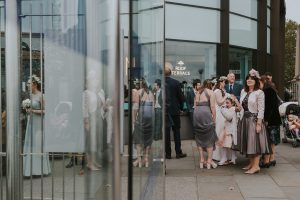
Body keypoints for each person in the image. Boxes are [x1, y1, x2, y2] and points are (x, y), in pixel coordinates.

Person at [237, 69, 271, 174]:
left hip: (253, 120)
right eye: (248, 78)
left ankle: (256, 166)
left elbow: (261, 109)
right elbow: (242, 106)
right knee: (248, 143)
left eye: (252, 79)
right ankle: (251, 164)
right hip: (244, 120)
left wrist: (259, 124)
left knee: (255, 144)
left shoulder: (259, 93)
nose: (249, 80)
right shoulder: (243, 91)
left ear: (256, 81)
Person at [23, 75, 51, 177]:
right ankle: (30, 171)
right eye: (27, 83)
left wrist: (33, 110)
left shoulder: (41, 96)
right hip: (31, 123)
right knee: (31, 145)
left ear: (35, 85)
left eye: (29, 83)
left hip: (39, 124)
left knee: (38, 145)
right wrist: (27, 109)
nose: (27, 85)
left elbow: (46, 110)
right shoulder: (30, 96)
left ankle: (40, 170)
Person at [193, 80, 218, 169]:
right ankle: (209, 162)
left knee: (199, 137)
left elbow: (195, 105)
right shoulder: (211, 92)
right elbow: (212, 107)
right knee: (209, 138)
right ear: (210, 85)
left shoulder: (198, 92)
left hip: (196, 114)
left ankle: (201, 160)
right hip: (205, 113)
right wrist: (214, 119)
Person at [165, 62, 187, 159]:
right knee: (176, 132)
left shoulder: (160, 82)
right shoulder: (176, 83)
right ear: (170, 73)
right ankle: (178, 152)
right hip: (175, 111)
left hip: (165, 111)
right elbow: (181, 98)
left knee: (166, 133)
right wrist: (182, 108)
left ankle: (168, 154)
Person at [260, 75, 282, 168]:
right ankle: (272, 158)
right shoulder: (271, 90)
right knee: (272, 141)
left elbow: (269, 107)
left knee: (269, 140)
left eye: (260, 82)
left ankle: (267, 160)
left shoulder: (267, 91)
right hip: (274, 119)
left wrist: (266, 119)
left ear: (263, 82)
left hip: (271, 120)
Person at [133, 81, 154, 168]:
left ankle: (140, 161)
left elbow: (135, 107)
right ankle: (146, 160)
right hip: (150, 120)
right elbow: (153, 108)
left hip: (141, 119)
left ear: (140, 85)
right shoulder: (151, 93)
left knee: (138, 140)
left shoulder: (138, 92)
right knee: (148, 140)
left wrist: (134, 119)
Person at [212, 76, 228, 163]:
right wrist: (227, 96)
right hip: (219, 113)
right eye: (224, 82)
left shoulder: (222, 91)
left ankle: (224, 155)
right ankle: (217, 155)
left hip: (223, 112)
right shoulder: (217, 91)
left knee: (223, 132)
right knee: (219, 132)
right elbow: (219, 102)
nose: (225, 84)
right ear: (220, 83)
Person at [219, 97, 238, 165]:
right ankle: (231, 159)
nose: (226, 104)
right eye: (225, 102)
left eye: (228, 103)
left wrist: (222, 110)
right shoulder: (229, 109)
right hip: (228, 130)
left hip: (230, 131)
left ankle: (227, 159)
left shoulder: (232, 109)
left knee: (227, 145)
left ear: (232, 103)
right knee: (226, 145)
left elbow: (229, 117)